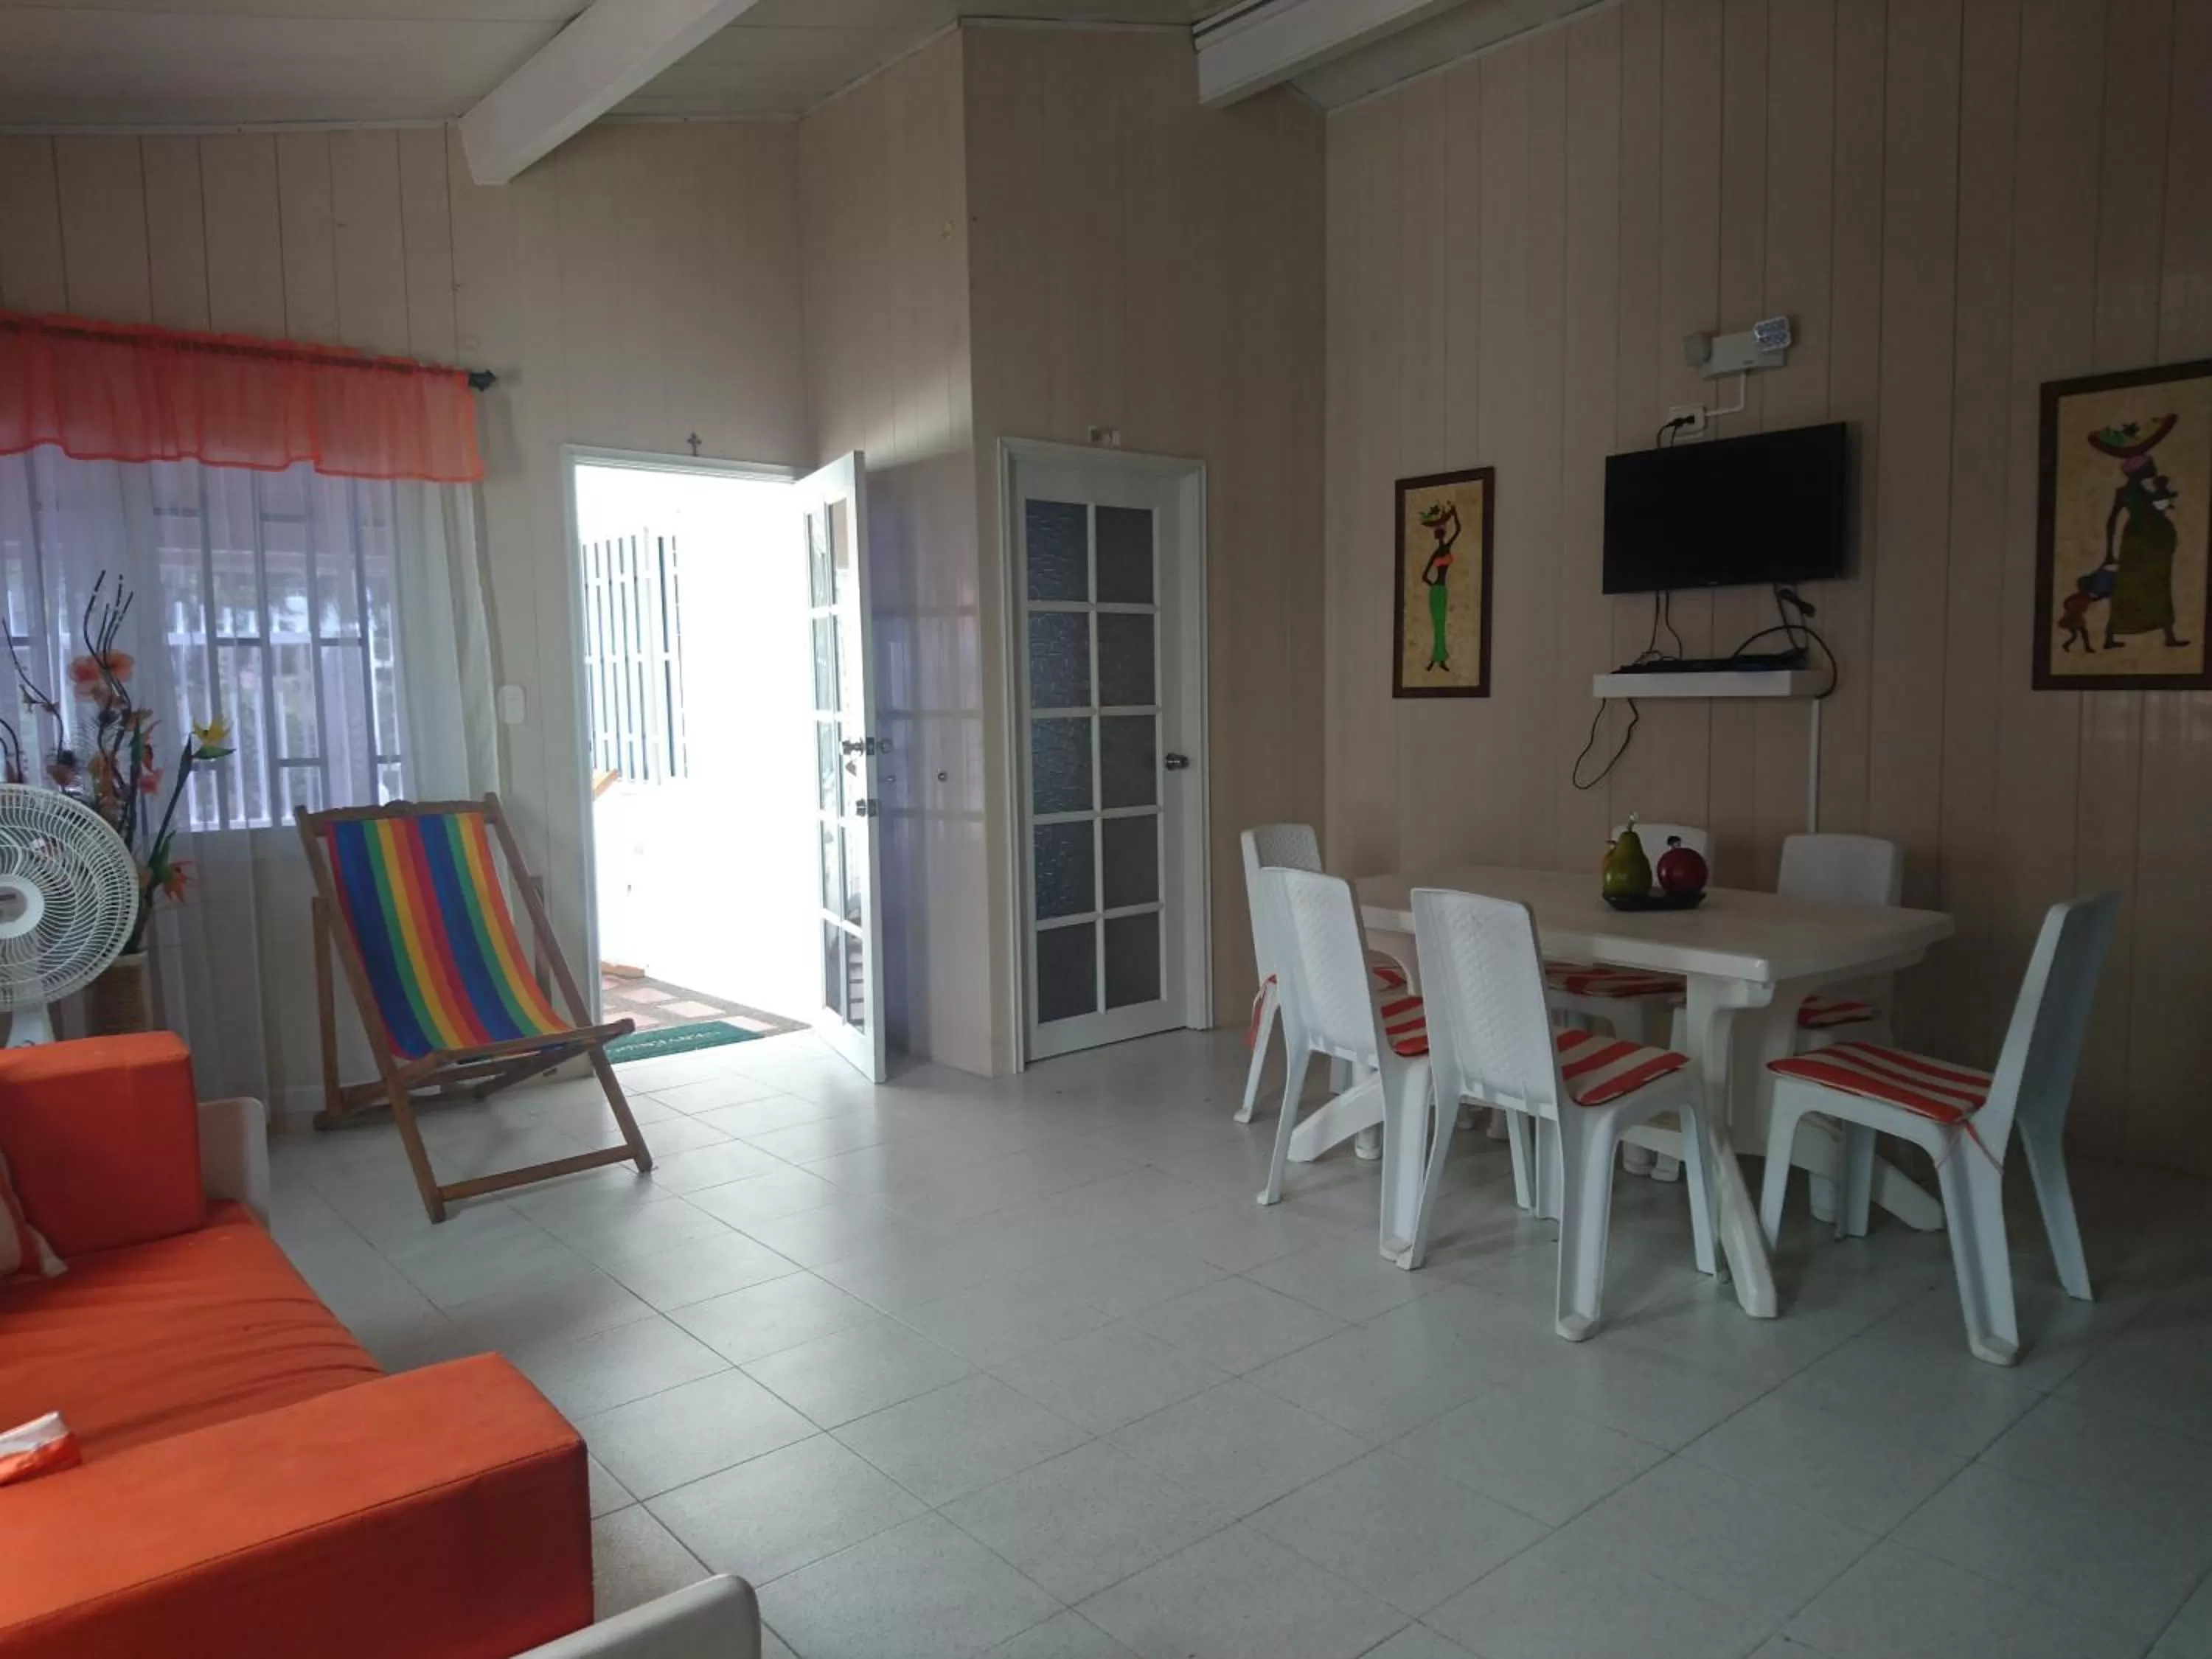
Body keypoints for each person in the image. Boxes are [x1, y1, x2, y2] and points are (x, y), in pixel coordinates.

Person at [2089, 416, 2188, 651]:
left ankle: (2166, 635)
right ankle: (2113, 636)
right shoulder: (2128, 492)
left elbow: (2118, 520)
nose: (2153, 468)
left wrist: (2163, 493)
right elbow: (2112, 522)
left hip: (2151, 541)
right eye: (2149, 465)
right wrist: (2109, 553)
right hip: (2140, 542)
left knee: (2155, 585)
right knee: (2135, 586)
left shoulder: (2141, 491)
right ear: (2140, 469)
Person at [1417, 500, 1459, 672]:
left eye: (1441, 533)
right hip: (1436, 591)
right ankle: (1436, 660)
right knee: (1437, 626)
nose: (1441, 536)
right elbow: (1424, 576)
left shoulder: (1447, 548)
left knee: (1441, 625)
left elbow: (1458, 530)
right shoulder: (1437, 552)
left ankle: (1439, 660)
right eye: (1439, 534)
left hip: (1441, 590)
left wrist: (1455, 513)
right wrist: (1433, 585)